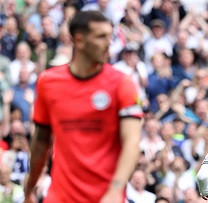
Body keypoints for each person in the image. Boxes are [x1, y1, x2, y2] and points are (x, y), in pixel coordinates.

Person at [24, 11, 144, 203]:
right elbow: (40, 141)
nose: (108, 43)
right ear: (79, 41)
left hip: (105, 198)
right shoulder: (48, 82)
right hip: (60, 198)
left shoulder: (122, 84)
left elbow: (132, 142)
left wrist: (115, 191)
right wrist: (29, 187)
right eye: (101, 36)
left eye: (110, 36)